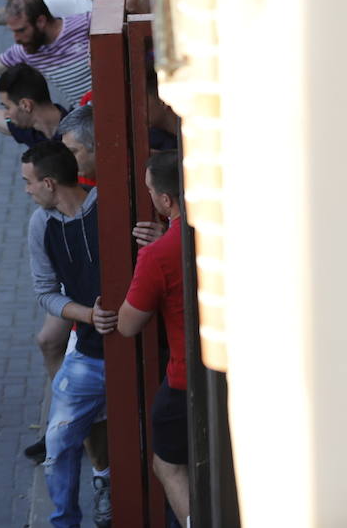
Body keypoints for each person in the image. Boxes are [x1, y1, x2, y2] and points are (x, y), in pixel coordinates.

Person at [22, 140, 114, 528]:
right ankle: (64, 523)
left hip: (141, 350)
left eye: (28, 182)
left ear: (48, 183)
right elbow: (45, 292)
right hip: (89, 354)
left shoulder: (110, 206)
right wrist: (87, 315)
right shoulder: (40, 225)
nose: (26, 190)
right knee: (58, 447)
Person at [117, 151, 191, 524]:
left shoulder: (158, 255)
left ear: (166, 200)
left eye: (150, 191)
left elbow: (128, 324)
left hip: (184, 381)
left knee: (169, 467)